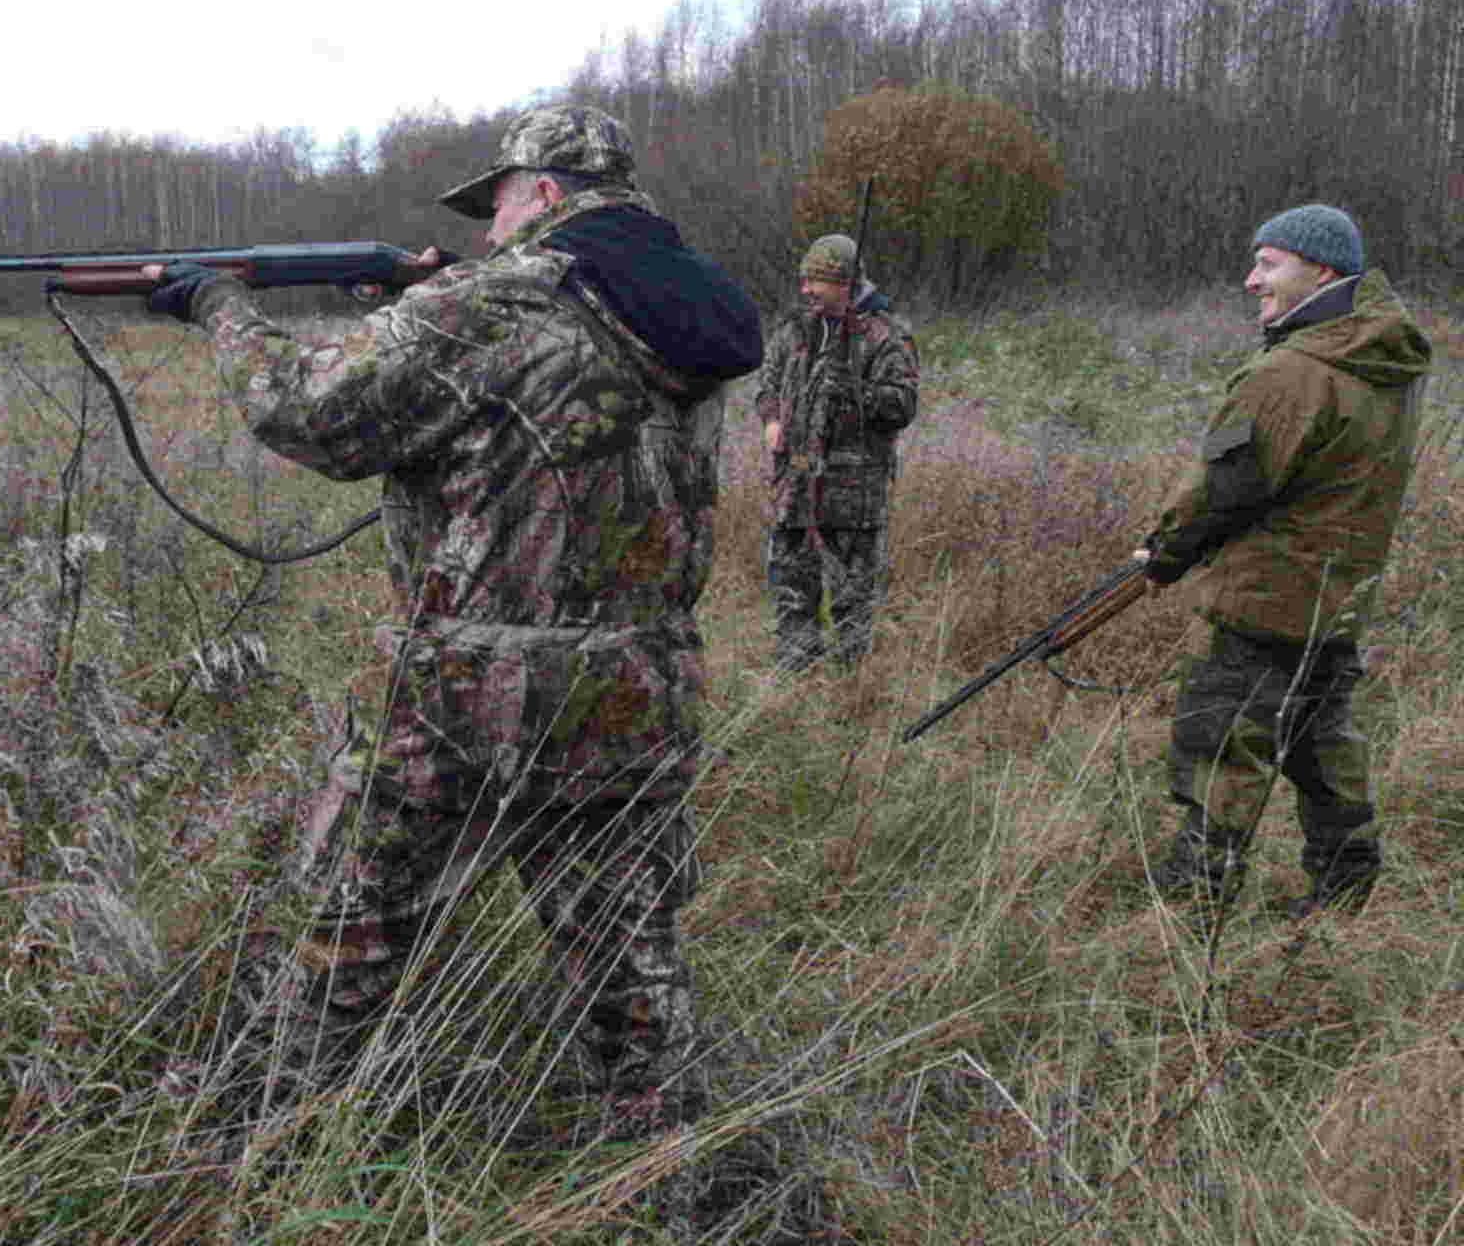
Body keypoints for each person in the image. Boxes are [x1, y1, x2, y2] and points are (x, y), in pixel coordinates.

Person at [144, 105, 762, 1135]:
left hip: (467, 702)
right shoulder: (687, 312)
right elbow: (564, 402)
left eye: (502, 205)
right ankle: (671, 1164)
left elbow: (306, 409)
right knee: (627, 957)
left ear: (548, 196)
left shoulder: (492, 303)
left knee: (355, 927)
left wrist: (219, 304)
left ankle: (271, 1137)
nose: (488, 232)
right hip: (637, 692)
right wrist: (430, 297)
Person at [1138, 203, 1429, 918]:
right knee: (1323, 746)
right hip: (1338, 599)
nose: (1250, 279)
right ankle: (1344, 897)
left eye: (1268, 263)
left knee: (1220, 747)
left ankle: (1193, 908)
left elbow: (1224, 489)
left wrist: (1165, 553)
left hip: (1264, 599)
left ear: (1320, 270)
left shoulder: (1294, 371)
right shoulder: (1383, 360)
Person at [755, 233, 919, 670]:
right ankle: (795, 674)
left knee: (852, 597)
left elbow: (902, 405)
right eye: (804, 281)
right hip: (793, 484)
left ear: (844, 283)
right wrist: (771, 421)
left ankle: (852, 687)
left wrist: (857, 392)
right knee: (791, 588)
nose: (806, 290)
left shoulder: (886, 334)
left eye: (817, 282)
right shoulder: (793, 328)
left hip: (853, 490)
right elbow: (767, 383)